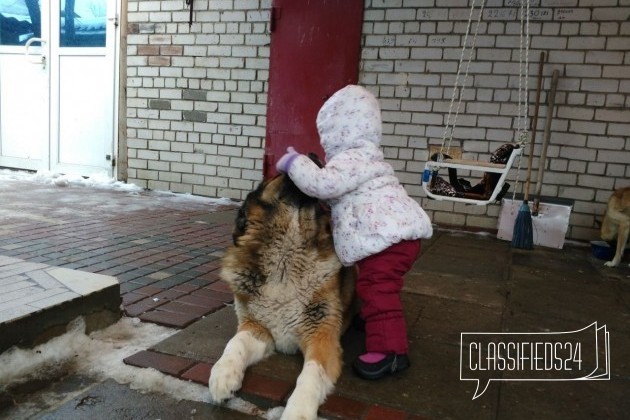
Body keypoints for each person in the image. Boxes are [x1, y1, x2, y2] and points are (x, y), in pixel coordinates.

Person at [276, 85, 433, 380]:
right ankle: (373, 318)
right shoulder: (367, 156)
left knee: (377, 287)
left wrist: (295, 163)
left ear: (337, 132)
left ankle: (391, 352)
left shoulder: (352, 158)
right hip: (391, 236)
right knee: (374, 285)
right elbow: (340, 196)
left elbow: (322, 185)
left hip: (389, 240)